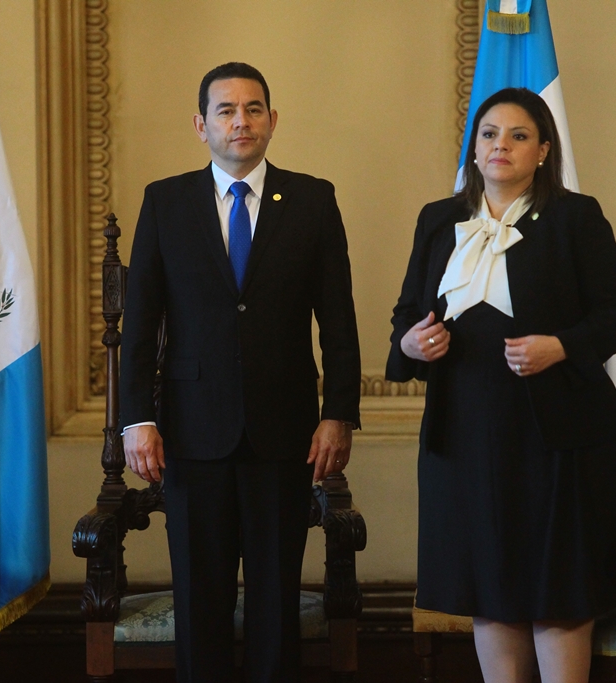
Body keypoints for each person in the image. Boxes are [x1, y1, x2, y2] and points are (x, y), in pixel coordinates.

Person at [386, 87, 616, 683]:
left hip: (559, 437)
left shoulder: (574, 216)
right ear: (474, 151)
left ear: (543, 150)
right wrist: (410, 344)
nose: (501, 145)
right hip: (466, 434)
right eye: (489, 135)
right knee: (490, 585)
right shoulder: (438, 218)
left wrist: (560, 346)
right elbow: (406, 313)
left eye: (518, 136)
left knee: (556, 589)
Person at [119, 62, 362, 683]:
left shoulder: (313, 199)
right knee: (201, 600)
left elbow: (338, 320)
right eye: (225, 110)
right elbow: (141, 326)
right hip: (190, 436)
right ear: (201, 126)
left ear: (272, 120)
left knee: (276, 600)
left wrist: (338, 413)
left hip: (285, 436)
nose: (240, 121)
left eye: (253, 109)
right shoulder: (164, 201)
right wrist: (136, 419)